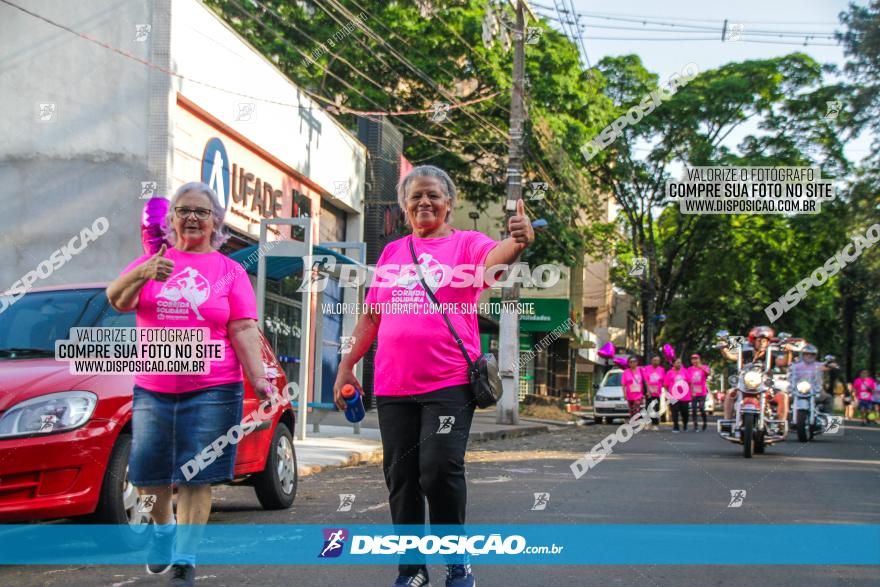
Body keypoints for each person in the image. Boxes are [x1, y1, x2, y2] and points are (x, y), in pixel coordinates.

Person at [333, 165, 534, 587]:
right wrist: (347, 365)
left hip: (448, 386)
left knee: (438, 470)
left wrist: (516, 243)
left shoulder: (466, 245)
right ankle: (412, 570)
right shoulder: (391, 253)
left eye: (433, 196)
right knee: (402, 479)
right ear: (405, 206)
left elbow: (494, 261)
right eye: (416, 196)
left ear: (449, 203)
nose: (424, 202)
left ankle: (455, 561)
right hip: (392, 387)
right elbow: (371, 317)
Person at [106, 182, 276, 587]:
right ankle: (163, 531)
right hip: (154, 387)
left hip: (214, 387)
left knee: (195, 475)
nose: (193, 218)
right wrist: (144, 271)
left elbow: (244, 328)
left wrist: (261, 379)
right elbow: (116, 300)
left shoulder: (229, 270)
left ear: (216, 221)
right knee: (147, 475)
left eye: (202, 211)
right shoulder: (152, 261)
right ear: (172, 218)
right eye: (184, 210)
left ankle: (185, 557)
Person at [720, 326, 788, 420]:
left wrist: (788, 352)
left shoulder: (771, 356)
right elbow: (731, 356)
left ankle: (781, 423)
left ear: (768, 342)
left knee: (783, 396)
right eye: (759, 340)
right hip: (744, 385)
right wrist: (723, 349)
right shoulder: (745, 353)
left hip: (766, 387)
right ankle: (727, 421)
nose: (762, 343)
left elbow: (783, 362)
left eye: (764, 341)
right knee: (730, 393)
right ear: (753, 342)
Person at [788, 344, 835, 416]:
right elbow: (786, 367)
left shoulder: (819, 365)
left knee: (828, 398)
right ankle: (783, 422)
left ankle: (832, 426)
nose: (809, 356)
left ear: (815, 355)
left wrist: (831, 365)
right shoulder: (795, 366)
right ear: (802, 354)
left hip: (815, 391)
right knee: (785, 399)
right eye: (806, 354)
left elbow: (828, 366)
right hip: (797, 391)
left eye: (812, 354)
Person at [664, 358, 691, 432]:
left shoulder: (685, 371)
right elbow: (666, 385)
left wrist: (690, 392)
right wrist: (667, 395)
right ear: (673, 363)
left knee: (685, 412)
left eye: (680, 362)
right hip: (673, 396)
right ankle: (676, 427)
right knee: (674, 412)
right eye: (677, 362)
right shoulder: (669, 372)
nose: (679, 364)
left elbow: (689, 382)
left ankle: (685, 425)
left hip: (684, 396)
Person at [687, 354, 710, 431]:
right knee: (693, 409)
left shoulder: (704, 367)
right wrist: (691, 391)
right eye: (693, 359)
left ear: (699, 359)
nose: (695, 360)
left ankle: (704, 422)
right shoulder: (689, 369)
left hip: (702, 392)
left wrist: (701, 368)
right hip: (693, 393)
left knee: (701, 408)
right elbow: (688, 381)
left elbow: (708, 373)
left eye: (696, 359)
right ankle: (695, 425)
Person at [641, 355, 665, 427]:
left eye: (657, 360)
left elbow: (663, 381)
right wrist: (648, 391)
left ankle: (655, 421)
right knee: (648, 406)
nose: (656, 362)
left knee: (656, 407)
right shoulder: (647, 369)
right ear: (651, 361)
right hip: (649, 392)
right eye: (654, 360)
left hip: (657, 392)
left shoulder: (661, 369)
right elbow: (646, 381)